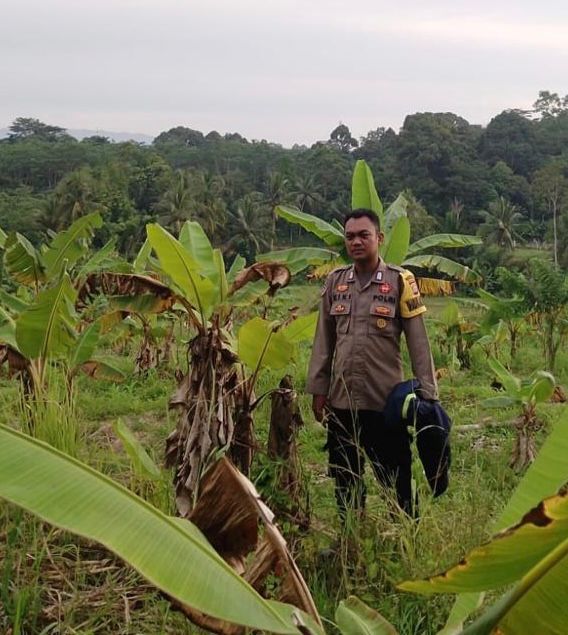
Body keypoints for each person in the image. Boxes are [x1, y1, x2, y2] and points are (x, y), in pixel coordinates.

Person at [306, 209, 438, 518]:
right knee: (345, 478)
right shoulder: (336, 282)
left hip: (385, 403)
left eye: (363, 235)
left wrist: (429, 396)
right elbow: (323, 341)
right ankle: (351, 533)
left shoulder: (400, 281)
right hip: (342, 403)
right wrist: (318, 390)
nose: (356, 242)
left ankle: (406, 532)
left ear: (379, 238)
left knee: (397, 479)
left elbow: (419, 344)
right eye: (350, 236)